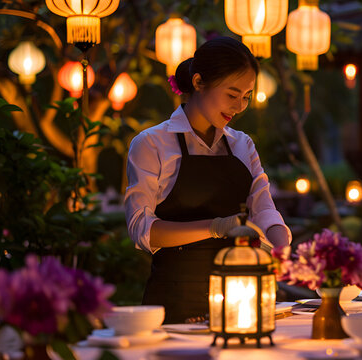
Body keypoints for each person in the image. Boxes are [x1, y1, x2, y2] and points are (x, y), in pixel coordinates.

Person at [124, 37, 291, 324]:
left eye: (247, 96)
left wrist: (281, 250)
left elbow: (263, 209)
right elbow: (142, 230)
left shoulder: (242, 144)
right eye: (232, 94)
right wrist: (215, 227)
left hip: (239, 296)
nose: (240, 106)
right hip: (175, 300)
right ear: (199, 82)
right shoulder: (152, 143)